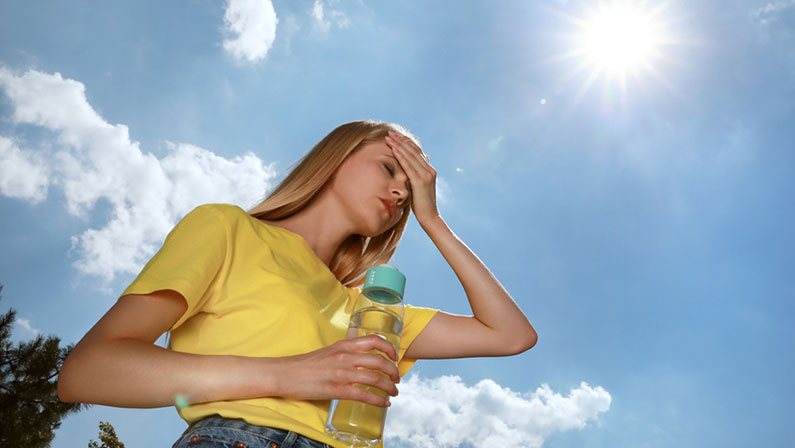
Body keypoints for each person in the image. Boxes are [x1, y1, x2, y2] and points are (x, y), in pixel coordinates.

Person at [57, 120, 537, 448]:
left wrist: (432, 220)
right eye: (389, 168)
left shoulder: (369, 312)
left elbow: (510, 335)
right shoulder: (228, 229)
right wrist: (286, 374)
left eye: (408, 193)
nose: (399, 191)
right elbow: (88, 370)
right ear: (335, 159)